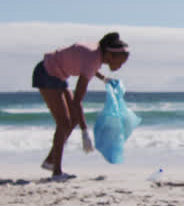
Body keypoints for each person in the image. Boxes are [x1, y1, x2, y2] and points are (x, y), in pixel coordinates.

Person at [32, 32, 130, 181]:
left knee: (73, 119)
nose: (121, 66)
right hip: (47, 72)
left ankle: (51, 160)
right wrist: (85, 132)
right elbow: (77, 102)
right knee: (64, 122)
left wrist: (103, 78)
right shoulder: (93, 59)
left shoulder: (98, 54)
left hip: (58, 74)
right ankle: (56, 172)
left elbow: (87, 62)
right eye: (120, 61)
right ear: (109, 55)